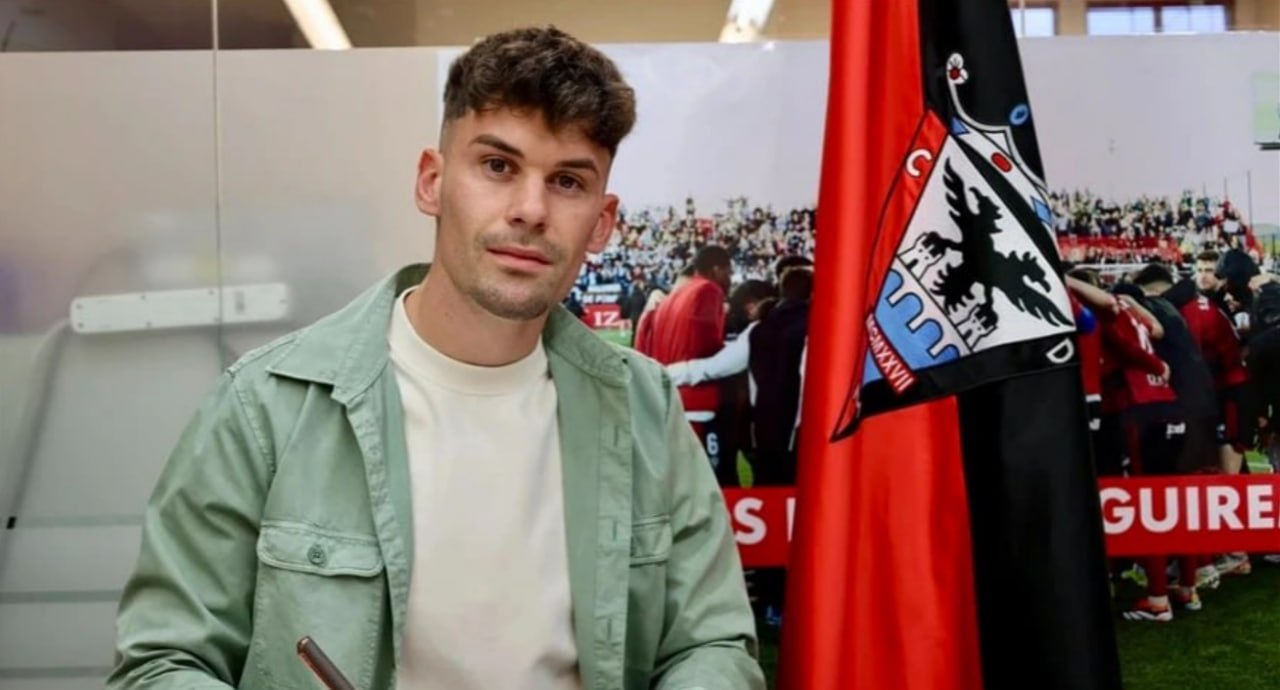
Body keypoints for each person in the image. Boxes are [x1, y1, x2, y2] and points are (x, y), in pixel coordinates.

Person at [108, 27, 763, 690]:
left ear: (601, 221)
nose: (530, 210)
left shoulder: (645, 407)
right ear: (432, 181)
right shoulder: (267, 406)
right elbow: (162, 665)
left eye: (567, 181)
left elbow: (712, 644)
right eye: (498, 166)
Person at [638, 246, 734, 468]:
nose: (729, 279)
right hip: (697, 398)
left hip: (670, 399)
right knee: (707, 475)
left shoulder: (670, 298)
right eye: (728, 272)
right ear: (716, 269)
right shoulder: (708, 290)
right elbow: (708, 345)